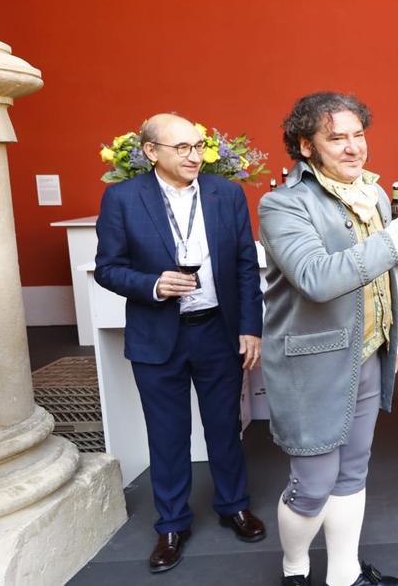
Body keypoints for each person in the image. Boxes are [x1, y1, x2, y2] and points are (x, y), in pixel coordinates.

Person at [259, 92, 398, 586]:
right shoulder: (282, 204)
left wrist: (390, 340)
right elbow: (316, 278)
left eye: (358, 134)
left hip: (368, 355)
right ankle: (294, 571)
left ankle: (345, 576)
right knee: (313, 484)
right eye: (336, 137)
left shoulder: (375, 195)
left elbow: (379, 284)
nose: (353, 147)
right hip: (311, 366)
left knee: (352, 472)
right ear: (305, 144)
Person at [95, 113, 266, 574]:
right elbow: (108, 267)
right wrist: (152, 284)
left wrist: (250, 328)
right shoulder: (123, 199)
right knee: (167, 434)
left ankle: (234, 506)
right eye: (183, 148)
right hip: (157, 334)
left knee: (224, 426)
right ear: (151, 152)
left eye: (198, 147)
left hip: (217, 330)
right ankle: (172, 524)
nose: (195, 156)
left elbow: (246, 265)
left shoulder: (226, 193)